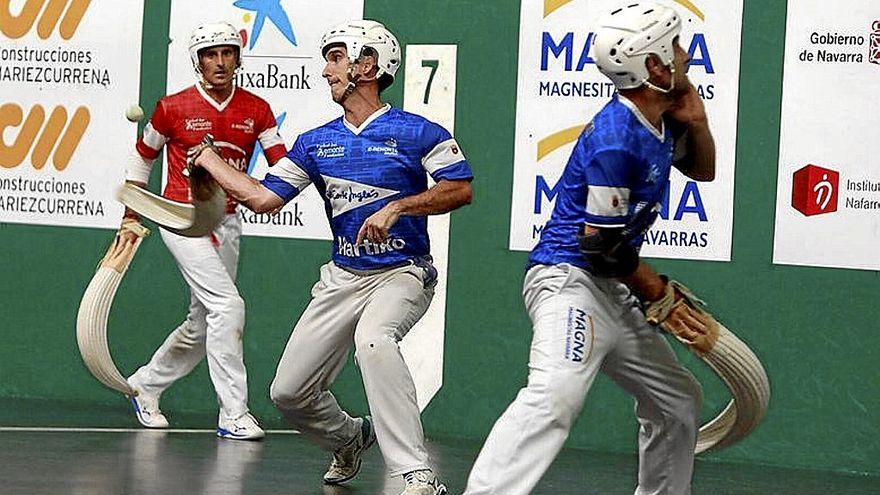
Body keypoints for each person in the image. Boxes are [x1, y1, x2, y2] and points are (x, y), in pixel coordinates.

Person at [190, 19, 472, 495]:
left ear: (368, 65)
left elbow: (459, 188)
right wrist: (212, 162)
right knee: (288, 393)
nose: (325, 70)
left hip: (403, 273)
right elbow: (263, 198)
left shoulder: (418, 132)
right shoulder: (316, 142)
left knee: (375, 341)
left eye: (336, 57)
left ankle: (415, 472)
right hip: (343, 278)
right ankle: (349, 437)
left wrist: (399, 205)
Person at [463, 2, 715, 494]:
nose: (686, 55)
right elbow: (600, 245)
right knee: (556, 394)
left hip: (610, 287)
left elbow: (702, 170)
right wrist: (658, 292)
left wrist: (699, 121)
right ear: (655, 67)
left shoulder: (661, 118)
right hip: (568, 281)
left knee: (678, 401)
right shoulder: (616, 138)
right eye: (676, 48)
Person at [119, 21, 287, 440]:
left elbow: (282, 164)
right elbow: (143, 158)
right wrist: (130, 215)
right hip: (180, 217)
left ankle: (146, 384)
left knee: (203, 321)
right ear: (198, 61)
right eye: (210, 54)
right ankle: (233, 412)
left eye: (227, 53)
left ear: (237, 58)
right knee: (228, 307)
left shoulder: (257, 110)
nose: (219, 62)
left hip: (227, 221)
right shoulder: (172, 107)